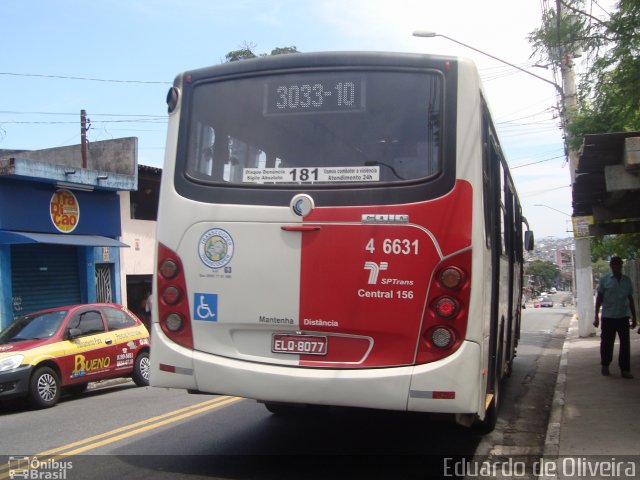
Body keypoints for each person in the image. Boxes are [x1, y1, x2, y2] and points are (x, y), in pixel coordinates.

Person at [593, 256, 637, 378]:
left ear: (621, 266)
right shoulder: (605, 280)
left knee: (625, 344)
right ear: (611, 266)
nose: (617, 267)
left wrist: (634, 317)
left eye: (619, 265)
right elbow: (599, 299)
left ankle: (625, 369)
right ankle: (605, 365)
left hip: (623, 316)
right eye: (615, 265)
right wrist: (596, 316)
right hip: (608, 317)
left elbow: (630, 299)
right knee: (607, 343)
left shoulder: (626, 280)